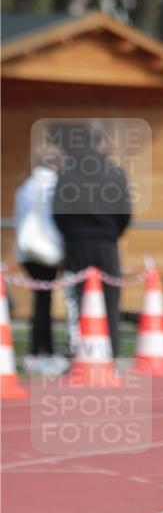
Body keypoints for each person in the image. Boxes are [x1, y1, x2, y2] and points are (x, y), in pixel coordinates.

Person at [53, 121, 132, 359]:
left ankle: (79, 352)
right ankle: (110, 353)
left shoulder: (67, 172)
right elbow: (125, 211)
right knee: (109, 299)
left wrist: (70, 234)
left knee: (77, 299)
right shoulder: (115, 172)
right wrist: (111, 233)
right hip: (106, 243)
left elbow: (58, 211)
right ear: (103, 143)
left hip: (76, 243)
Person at [14, 144, 68, 377]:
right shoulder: (55, 186)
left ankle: (38, 350)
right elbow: (54, 221)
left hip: (27, 252)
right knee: (46, 302)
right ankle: (44, 350)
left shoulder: (25, 186)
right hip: (48, 251)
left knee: (40, 302)